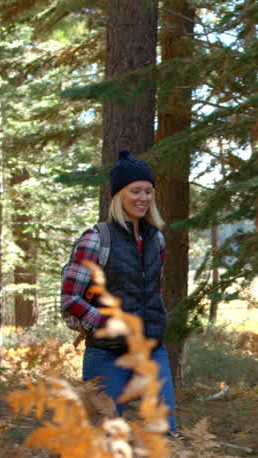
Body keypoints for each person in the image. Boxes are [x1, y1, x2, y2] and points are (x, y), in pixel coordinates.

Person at [61, 149, 179, 434]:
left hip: (152, 351)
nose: (143, 198)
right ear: (118, 195)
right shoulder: (96, 239)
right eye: (135, 191)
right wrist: (105, 322)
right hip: (107, 354)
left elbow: (154, 290)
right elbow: (70, 299)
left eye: (148, 192)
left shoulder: (156, 240)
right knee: (104, 438)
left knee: (165, 434)